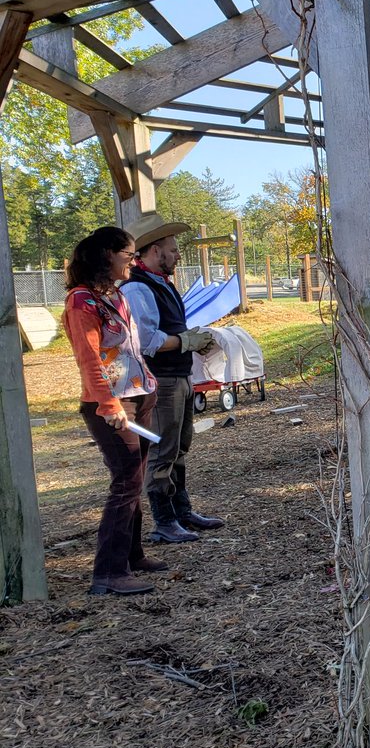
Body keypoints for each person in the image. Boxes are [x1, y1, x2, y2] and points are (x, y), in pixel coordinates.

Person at [62, 228, 164, 595]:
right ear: (106, 255)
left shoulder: (114, 296)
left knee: (134, 480)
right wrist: (109, 405)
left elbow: (130, 349)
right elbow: (90, 360)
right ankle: (107, 572)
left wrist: (148, 385)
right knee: (125, 483)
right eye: (128, 255)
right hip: (112, 406)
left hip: (138, 397)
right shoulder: (82, 303)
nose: (133, 262)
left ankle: (132, 555)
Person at [120, 215, 222, 543]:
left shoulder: (160, 281)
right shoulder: (137, 287)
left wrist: (191, 341)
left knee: (180, 447)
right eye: (172, 249)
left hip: (177, 375)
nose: (177, 255)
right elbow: (148, 340)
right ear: (153, 251)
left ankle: (182, 511)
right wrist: (186, 341)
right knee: (163, 449)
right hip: (160, 380)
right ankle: (163, 521)